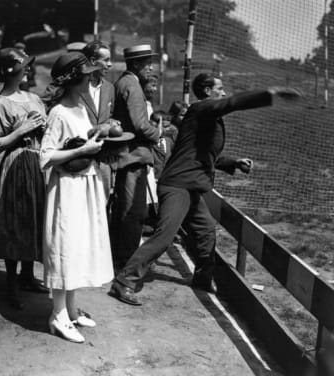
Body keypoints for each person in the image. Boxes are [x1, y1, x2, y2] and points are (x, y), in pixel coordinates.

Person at [109, 73, 301, 305]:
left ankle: (202, 279)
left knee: (206, 230)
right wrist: (269, 94)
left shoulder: (205, 117)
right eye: (219, 88)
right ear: (208, 91)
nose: (223, 92)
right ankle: (124, 281)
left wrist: (233, 162)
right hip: (177, 186)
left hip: (191, 186)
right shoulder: (201, 109)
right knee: (165, 236)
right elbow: (231, 103)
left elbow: (202, 155)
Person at [40, 52, 114, 343]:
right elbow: (45, 157)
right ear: (74, 79)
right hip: (67, 188)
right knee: (65, 246)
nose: (93, 77)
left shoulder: (82, 108)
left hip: (86, 184)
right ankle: (57, 315)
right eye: (88, 74)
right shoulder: (58, 113)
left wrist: (100, 136)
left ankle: (70, 309)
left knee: (79, 245)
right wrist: (82, 151)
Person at [0, 48, 48, 310]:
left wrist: (42, 129)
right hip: (16, 165)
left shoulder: (34, 98)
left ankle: (28, 276)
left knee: (33, 218)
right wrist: (22, 130)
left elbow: (46, 133)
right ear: (10, 72)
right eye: (24, 67)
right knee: (16, 220)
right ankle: (11, 283)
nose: (29, 70)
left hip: (38, 162)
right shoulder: (0, 104)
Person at [110, 45, 161, 270]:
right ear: (137, 64)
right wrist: (158, 133)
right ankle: (126, 264)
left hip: (126, 155)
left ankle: (120, 258)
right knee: (133, 213)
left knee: (125, 210)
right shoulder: (133, 85)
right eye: (147, 63)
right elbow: (141, 125)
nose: (151, 67)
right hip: (132, 157)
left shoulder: (123, 82)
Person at [80, 40, 115, 201]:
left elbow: (111, 115)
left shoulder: (109, 88)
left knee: (103, 205)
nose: (110, 64)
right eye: (106, 60)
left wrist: (113, 123)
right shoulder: (77, 87)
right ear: (93, 62)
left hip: (104, 160)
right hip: (79, 158)